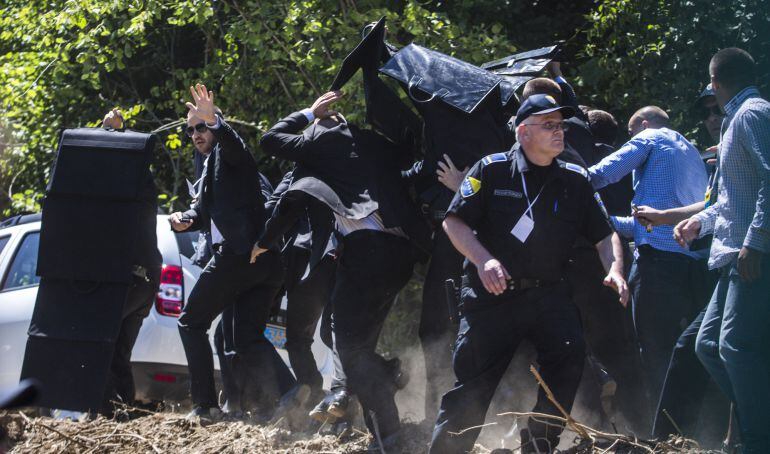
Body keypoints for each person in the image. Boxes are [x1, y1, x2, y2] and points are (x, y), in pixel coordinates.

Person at [429, 94, 629, 454]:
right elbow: (454, 222)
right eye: (548, 125)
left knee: (569, 360)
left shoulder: (575, 179)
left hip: (549, 294)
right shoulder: (489, 170)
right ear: (523, 132)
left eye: (561, 125)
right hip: (492, 295)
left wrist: (614, 268)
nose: (559, 132)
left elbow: (605, 234)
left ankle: (539, 443)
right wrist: (483, 259)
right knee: (472, 388)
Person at [258, 91, 431, 451]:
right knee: (354, 345)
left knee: (351, 352)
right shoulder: (372, 142)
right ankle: (382, 409)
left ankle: (390, 430)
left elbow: (270, 139)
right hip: (400, 254)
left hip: (367, 253)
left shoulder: (321, 145)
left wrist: (309, 112)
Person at [168, 84, 290, 420]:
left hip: (242, 256)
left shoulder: (229, 153)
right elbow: (207, 212)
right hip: (255, 263)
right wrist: (185, 220)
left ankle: (205, 405)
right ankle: (288, 392)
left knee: (191, 322)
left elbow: (239, 151)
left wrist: (219, 125)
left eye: (202, 126)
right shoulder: (208, 167)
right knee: (240, 336)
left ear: (216, 125)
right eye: (191, 129)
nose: (196, 134)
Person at [587, 106, 713, 428]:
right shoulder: (692, 154)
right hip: (693, 268)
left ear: (641, 125)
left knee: (655, 355)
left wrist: (564, 184)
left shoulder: (650, 137)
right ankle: (692, 433)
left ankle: (662, 436)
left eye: (630, 136)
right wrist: (604, 223)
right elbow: (647, 223)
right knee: (684, 355)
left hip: (656, 268)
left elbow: (601, 174)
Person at [675, 47, 770, 453]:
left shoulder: (752, 114)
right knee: (709, 345)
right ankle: (755, 426)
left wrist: (756, 241)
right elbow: (734, 199)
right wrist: (701, 222)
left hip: (749, 253)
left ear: (713, 83)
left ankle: (758, 439)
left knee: (733, 346)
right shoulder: (737, 118)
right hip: (732, 252)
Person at [633, 83, 728, 445]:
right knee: (703, 350)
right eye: (706, 112)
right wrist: (666, 218)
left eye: (716, 109)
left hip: (741, 266)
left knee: (707, 350)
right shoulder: (709, 161)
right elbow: (709, 207)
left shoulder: (746, 142)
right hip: (709, 269)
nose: (710, 119)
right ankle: (690, 440)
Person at [99, 109, 163, 415]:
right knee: (119, 350)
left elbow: (118, 167)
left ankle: (109, 409)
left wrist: (110, 133)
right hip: (144, 280)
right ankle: (119, 409)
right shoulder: (144, 192)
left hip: (133, 279)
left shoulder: (134, 192)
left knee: (101, 340)